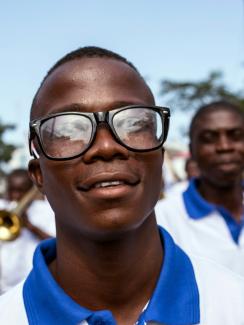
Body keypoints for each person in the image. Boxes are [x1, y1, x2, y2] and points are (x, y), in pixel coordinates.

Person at [0, 48, 243, 324]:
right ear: (38, 175)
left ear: (160, 156)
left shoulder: (234, 304)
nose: (105, 147)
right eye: (68, 130)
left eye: (133, 123)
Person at [156, 101, 244, 276]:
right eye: (209, 138)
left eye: (235, 135)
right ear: (192, 150)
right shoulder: (161, 220)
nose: (224, 147)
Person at [0, 169, 55, 294]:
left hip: (33, 286)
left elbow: (57, 244)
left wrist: (31, 227)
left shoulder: (46, 211)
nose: (15, 196)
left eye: (20, 191)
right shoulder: (3, 209)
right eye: (12, 190)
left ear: (30, 191)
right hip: (4, 287)